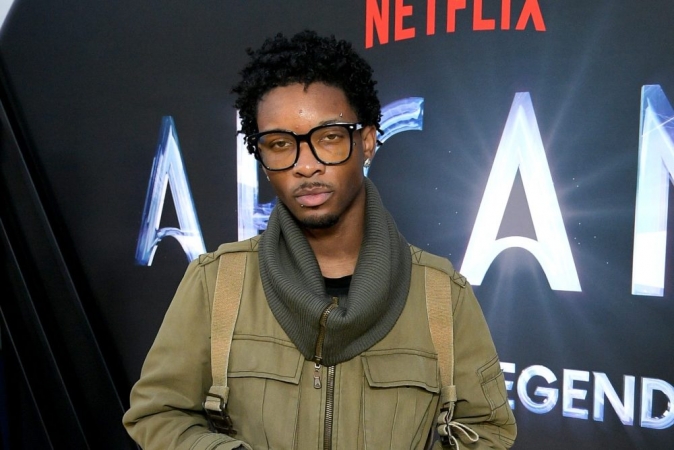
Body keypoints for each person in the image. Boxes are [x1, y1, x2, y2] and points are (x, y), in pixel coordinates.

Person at [123, 30, 516, 450]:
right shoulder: (216, 283)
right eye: (279, 144)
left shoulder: (441, 295)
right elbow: (158, 414)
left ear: (367, 142)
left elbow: (487, 431)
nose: (306, 165)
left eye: (328, 137)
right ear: (262, 160)